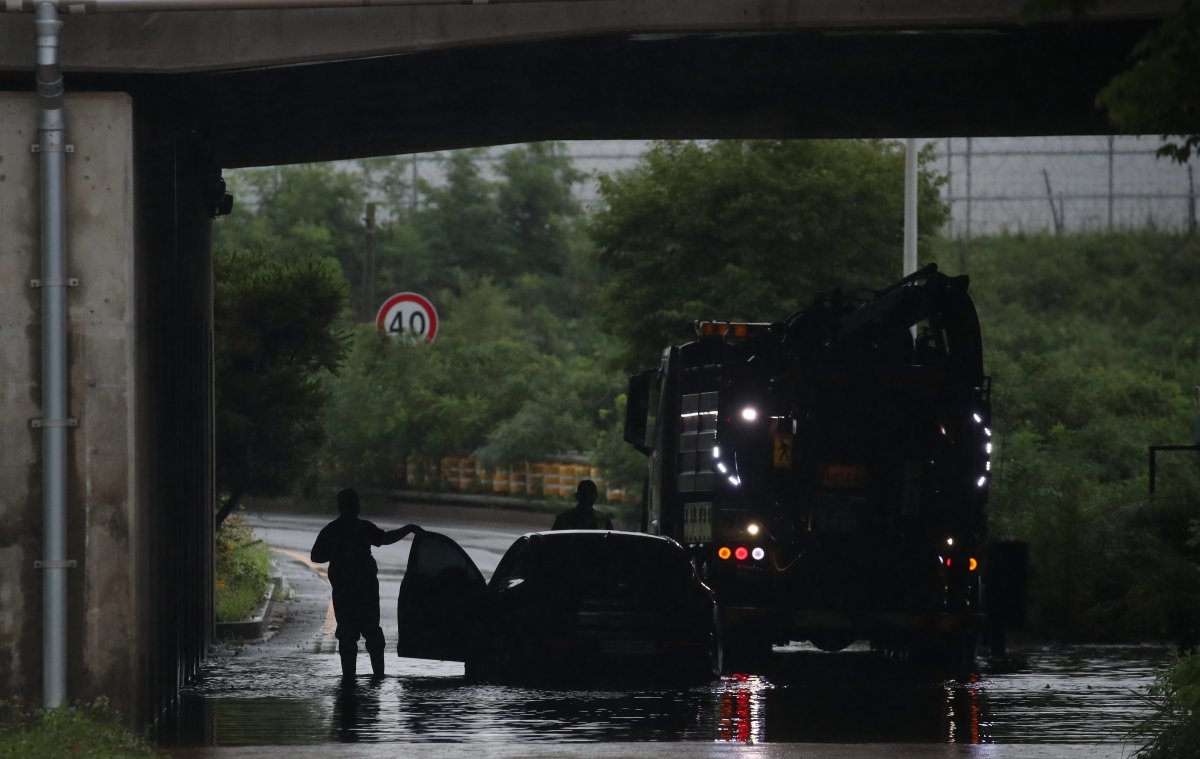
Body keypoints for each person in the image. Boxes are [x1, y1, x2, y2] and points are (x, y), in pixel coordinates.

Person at [310, 487, 422, 679]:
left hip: (348, 591)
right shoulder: (363, 528)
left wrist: (408, 529)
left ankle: (350, 678)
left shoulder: (332, 530)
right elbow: (385, 538)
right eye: (353, 502)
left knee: (349, 633)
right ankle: (377, 675)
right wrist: (408, 529)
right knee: (369, 633)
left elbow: (317, 556)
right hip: (363, 590)